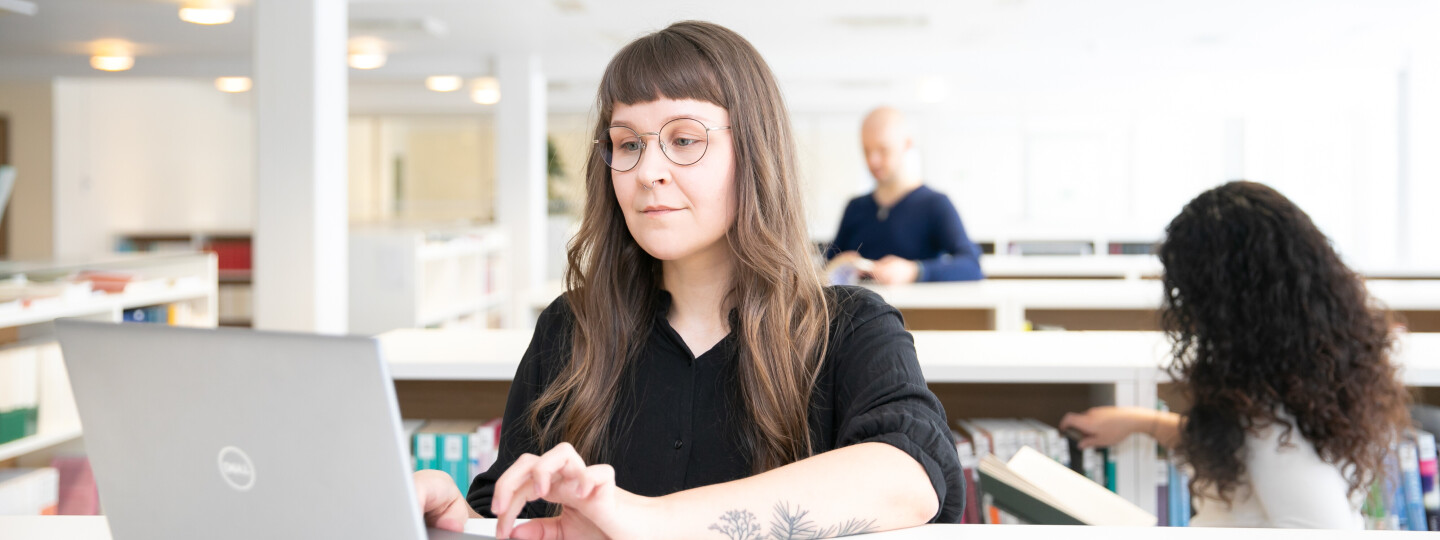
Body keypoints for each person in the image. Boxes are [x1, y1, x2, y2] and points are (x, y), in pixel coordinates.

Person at [414, 21, 964, 540]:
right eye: (628, 144)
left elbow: (909, 477)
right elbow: (514, 511)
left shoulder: (848, 327)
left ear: (753, 152)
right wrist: (455, 516)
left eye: (683, 140)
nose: (648, 170)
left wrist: (648, 520)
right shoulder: (570, 328)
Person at [1059, 181, 1411, 529]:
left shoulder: (1274, 418)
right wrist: (1143, 422)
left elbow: (1320, 526)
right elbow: (1249, 451)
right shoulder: (1302, 379)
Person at [823, 107, 983, 284]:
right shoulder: (855, 207)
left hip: (915, 310)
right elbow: (826, 268)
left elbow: (971, 266)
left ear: (906, 144)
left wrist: (914, 271)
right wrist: (840, 265)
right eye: (866, 151)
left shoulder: (935, 204)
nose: (872, 160)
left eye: (883, 150)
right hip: (858, 310)